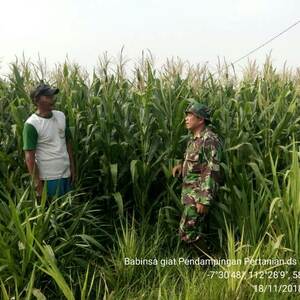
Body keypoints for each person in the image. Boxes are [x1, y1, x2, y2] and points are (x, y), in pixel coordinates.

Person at [172, 101, 222, 248]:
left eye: (190, 115)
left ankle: (206, 263)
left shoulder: (209, 139)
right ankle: (202, 264)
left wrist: (204, 200)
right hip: (190, 194)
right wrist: (182, 167)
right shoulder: (194, 140)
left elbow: (211, 169)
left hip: (198, 196)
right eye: (186, 115)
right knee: (190, 231)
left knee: (187, 231)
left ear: (200, 119)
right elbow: (197, 163)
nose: (186, 118)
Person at [22, 83, 75, 198]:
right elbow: (29, 157)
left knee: (69, 213)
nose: (53, 99)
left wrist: (72, 168)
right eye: (48, 97)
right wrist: (38, 185)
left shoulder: (61, 116)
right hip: (49, 179)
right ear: (37, 100)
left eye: (52, 96)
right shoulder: (32, 124)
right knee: (55, 213)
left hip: (66, 174)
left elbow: (67, 143)